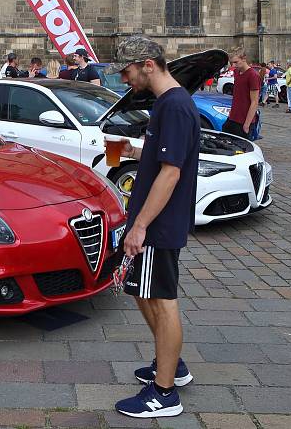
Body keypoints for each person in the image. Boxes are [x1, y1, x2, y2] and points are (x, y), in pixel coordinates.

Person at [104, 36, 197, 419]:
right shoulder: (170, 103)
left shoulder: (173, 105)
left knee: (161, 299)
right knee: (145, 294)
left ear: (147, 64)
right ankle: (170, 364)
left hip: (158, 223)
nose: (124, 80)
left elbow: (172, 172)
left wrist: (140, 226)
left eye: (126, 71)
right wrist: (136, 152)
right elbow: (167, 156)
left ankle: (164, 392)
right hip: (157, 221)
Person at [222, 49, 259, 138]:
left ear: (244, 59)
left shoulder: (253, 75)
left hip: (244, 121)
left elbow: (254, 102)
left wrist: (247, 124)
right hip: (232, 118)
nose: (233, 66)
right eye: (231, 63)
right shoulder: (236, 72)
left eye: (236, 62)